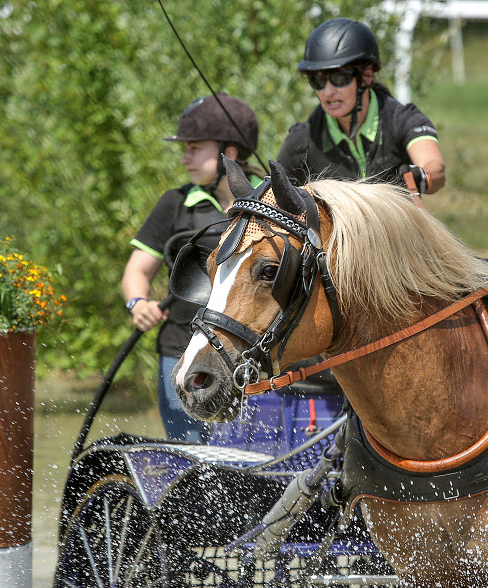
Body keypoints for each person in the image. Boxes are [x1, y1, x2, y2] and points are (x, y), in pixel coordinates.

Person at [121, 93, 264, 442]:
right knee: (188, 463)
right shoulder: (174, 204)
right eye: (184, 149)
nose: (185, 158)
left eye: (194, 148)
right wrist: (137, 303)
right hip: (179, 353)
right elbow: (135, 273)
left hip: (247, 359)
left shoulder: (267, 204)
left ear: (229, 153)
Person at [277, 17, 446, 194]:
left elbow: (435, 168)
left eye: (339, 78)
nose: (327, 92)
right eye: (317, 80)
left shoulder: (403, 119)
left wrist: (423, 177)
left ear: (366, 76)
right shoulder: (301, 140)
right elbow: (272, 201)